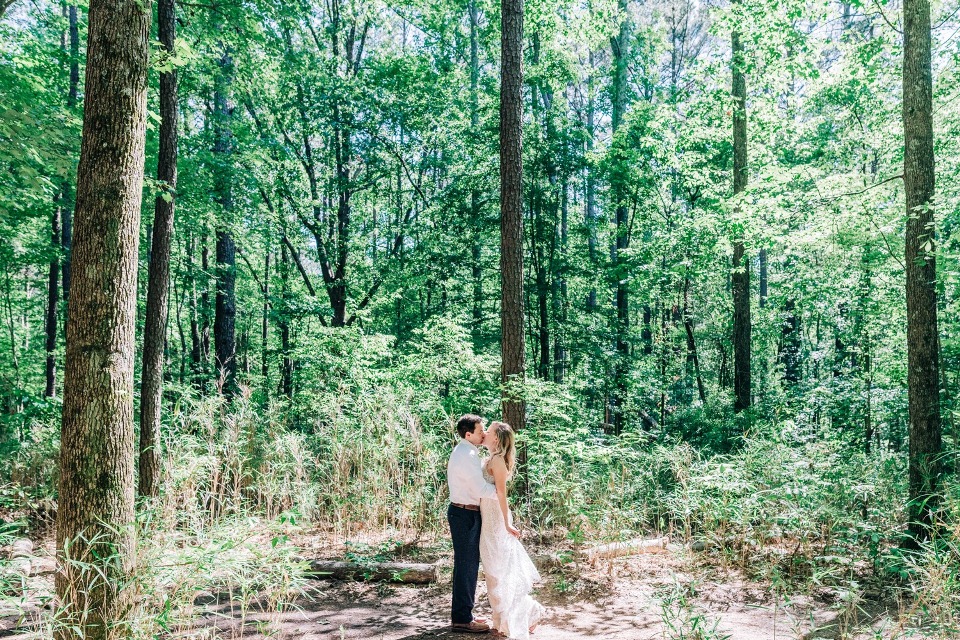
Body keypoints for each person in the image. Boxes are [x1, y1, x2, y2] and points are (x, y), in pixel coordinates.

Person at [478, 421, 544, 639]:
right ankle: (503, 618)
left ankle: (523, 615)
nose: (485, 432)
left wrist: (506, 523)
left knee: (500, 571)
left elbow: (501, 494)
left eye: (489, 430)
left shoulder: (497, 461)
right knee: (493, 571)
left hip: (497, 520)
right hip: (487, 519)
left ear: (496, 438)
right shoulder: (489, 458)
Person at [447, 414, 496, 633]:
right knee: (467, 567)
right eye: (480, 431)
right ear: (469, 434)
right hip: (464, 514)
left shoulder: (467, 451)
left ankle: (465, 614)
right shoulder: (466, 454)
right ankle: (462, 620)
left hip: (465, 513)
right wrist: (502, 493)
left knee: (467, 566)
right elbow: (480, 489)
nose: (483, 434)